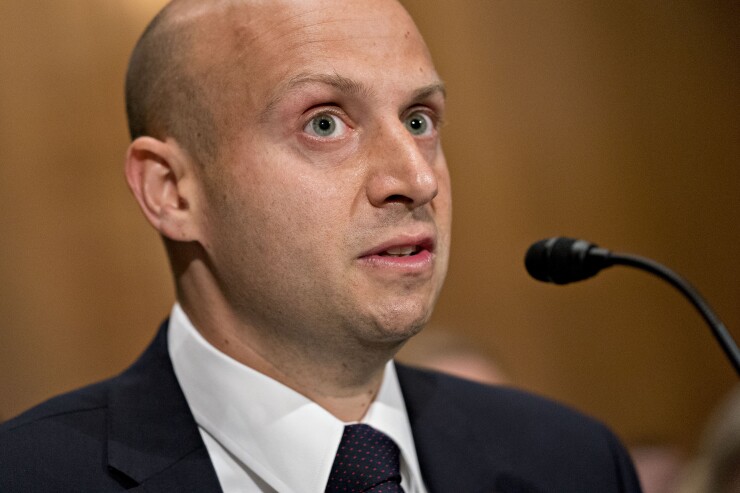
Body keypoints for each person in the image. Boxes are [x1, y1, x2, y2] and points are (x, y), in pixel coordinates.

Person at [0, 1, 643, 492]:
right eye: (325, 123)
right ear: (172, 191)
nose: (415, 180)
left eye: (420, 121)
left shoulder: (571, 461)